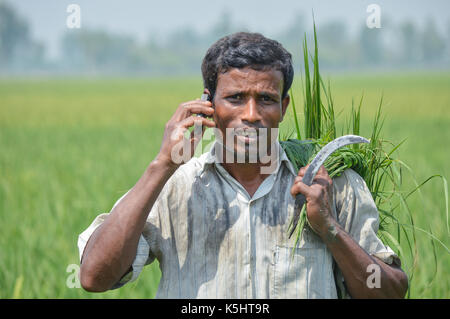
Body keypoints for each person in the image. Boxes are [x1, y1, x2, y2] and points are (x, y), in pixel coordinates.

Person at [77, 32, 408, 298]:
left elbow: (391, 293)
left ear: (284, 106)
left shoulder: (329, 185)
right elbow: (94, 277)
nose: (251, 115)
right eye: (235, 98)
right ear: (208, 104)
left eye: (265, 99)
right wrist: (162, 164)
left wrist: (330, 229)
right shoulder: (174, 186)